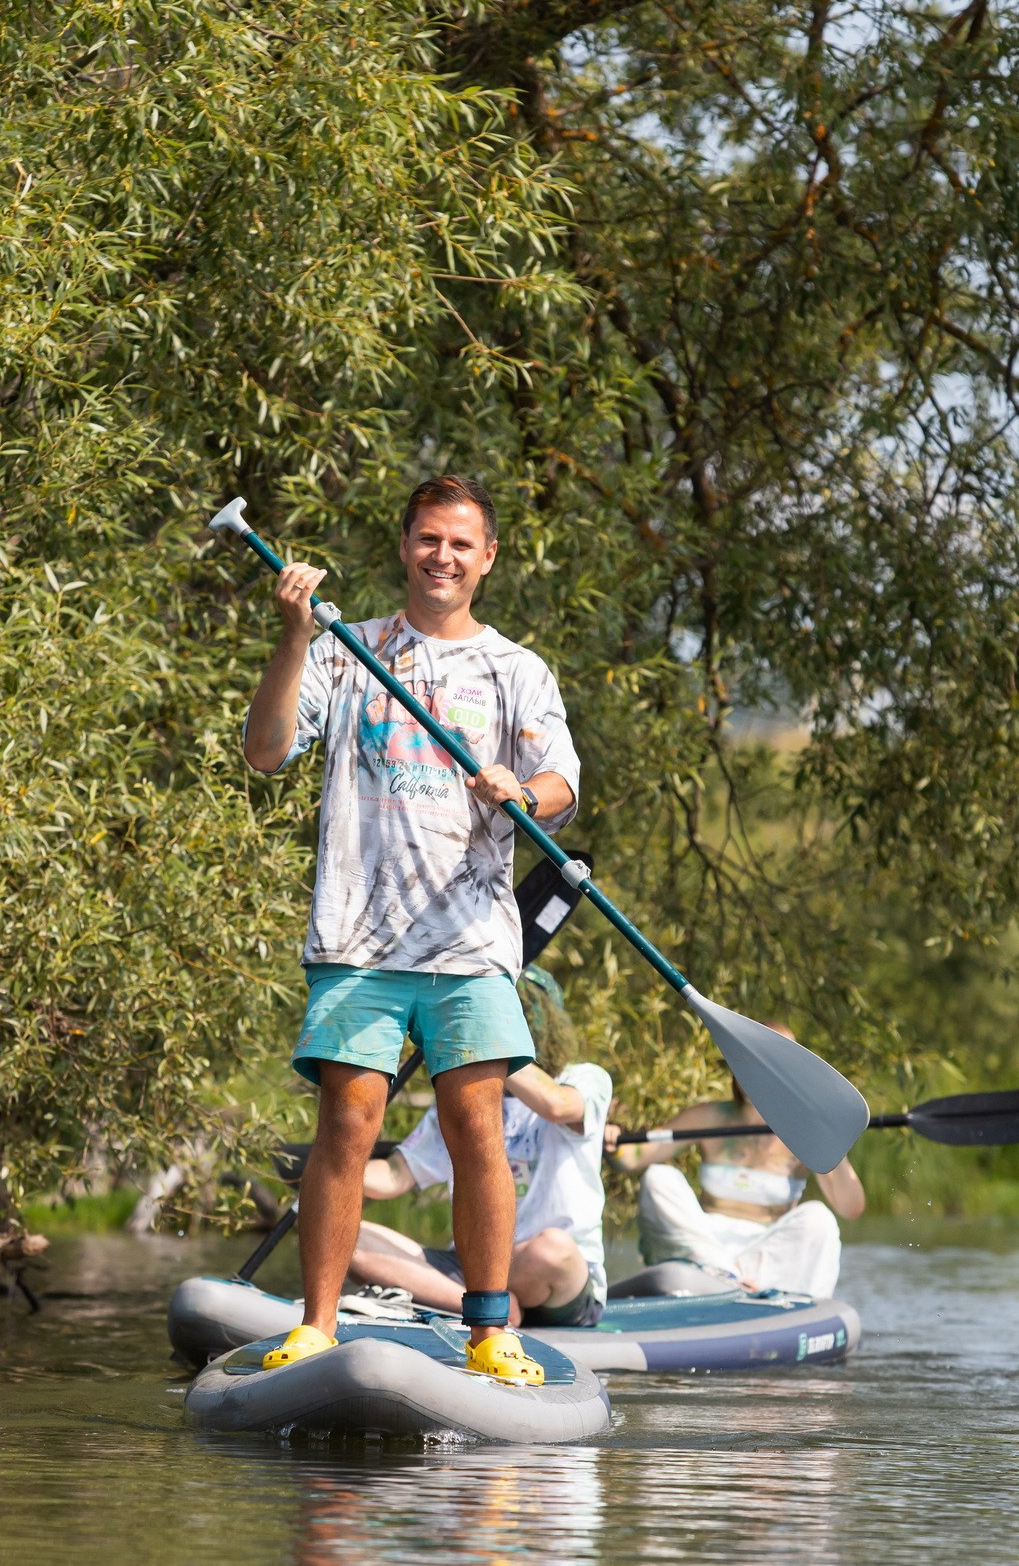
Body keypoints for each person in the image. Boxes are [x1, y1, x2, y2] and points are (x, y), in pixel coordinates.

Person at [241, 474, 581, 1383]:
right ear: (405, 546)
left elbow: (562, 786)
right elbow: (266, 749)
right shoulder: (350, 649)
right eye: (429, 539)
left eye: (461, 544)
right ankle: (317, 1325)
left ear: (488, 558)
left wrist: (522, 790)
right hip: (358, 937)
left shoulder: (517, 670)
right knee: (347, 1125)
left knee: (477, 1127)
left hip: (470, 940)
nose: (443, 556)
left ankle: (489, 1329)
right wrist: (294, 635)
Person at [351, 973, 613, 1328]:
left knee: (553, 1249)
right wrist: (334, 1171)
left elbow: (557, 1105)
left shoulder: (584, 1077)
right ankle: (480, 1306)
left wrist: (485, 1046)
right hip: (470, 1265)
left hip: (555, 1277)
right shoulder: (461, 1095)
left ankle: (484, 1302)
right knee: (341, 1232)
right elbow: (395, 1175)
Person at [610, 1037, 866, 1300]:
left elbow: (851, 1207)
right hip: (702, 1249)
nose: (758, 1076)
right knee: (659, 1178)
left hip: (765, 1260)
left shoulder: (806, 1131)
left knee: (819, 1219)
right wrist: (612, 1140)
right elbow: (633, 1159)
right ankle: (725, 1275)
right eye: (749, 1064)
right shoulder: (711, 1116)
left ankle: (748, 1287)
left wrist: (832, 1142)